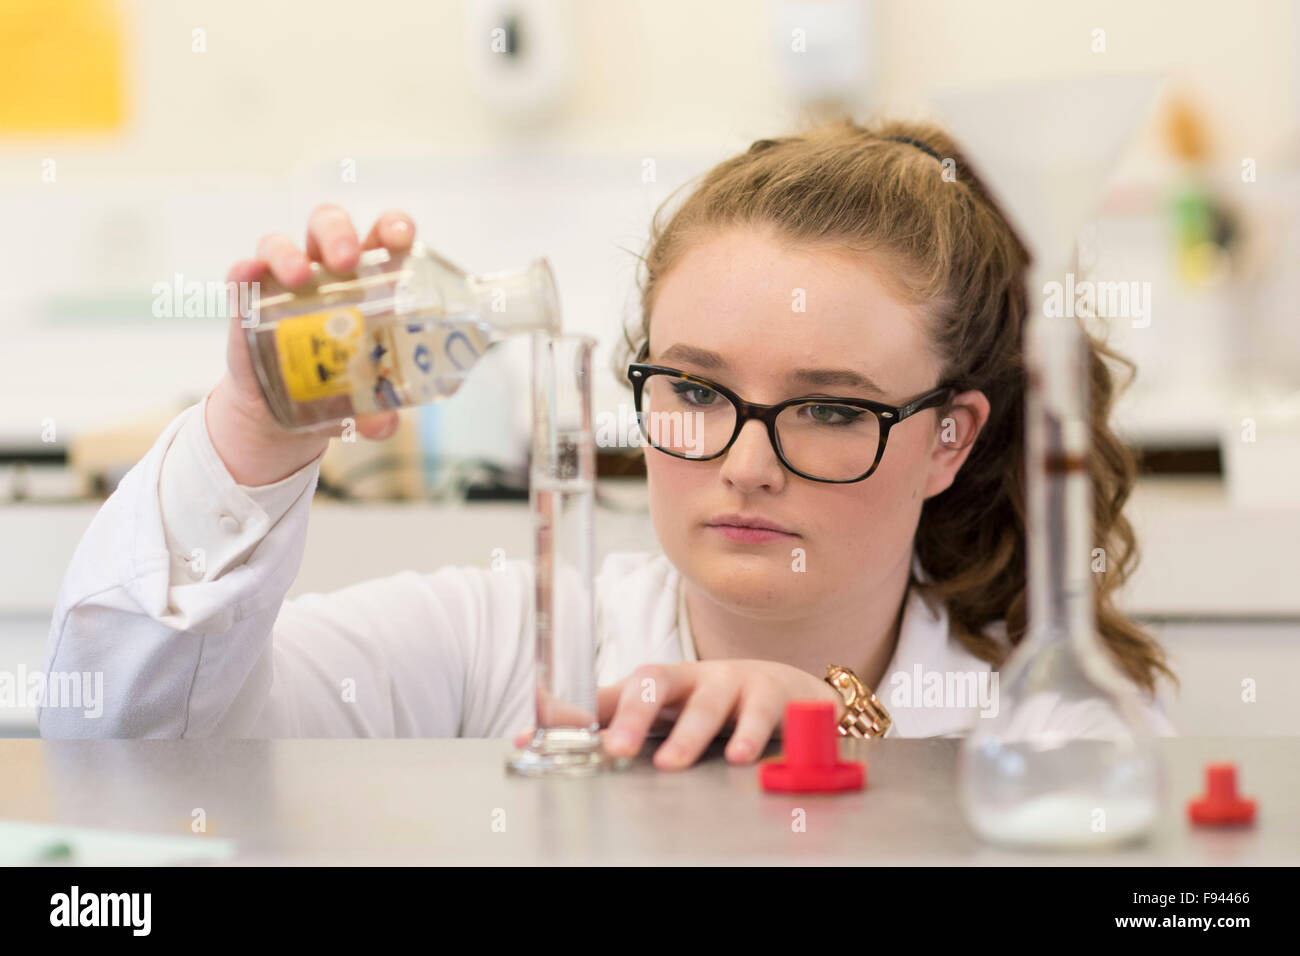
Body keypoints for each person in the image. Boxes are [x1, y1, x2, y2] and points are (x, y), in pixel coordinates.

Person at [39, 118, 1176, 766]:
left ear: (947, 439)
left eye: (831, 407)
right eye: (695, 387)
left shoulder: (1058, 716)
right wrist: (252, 428)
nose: (744, 460)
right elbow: (130, 745)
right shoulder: (498, 637)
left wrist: (855, 750)